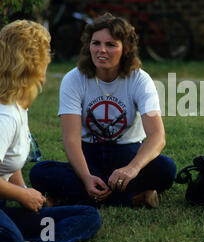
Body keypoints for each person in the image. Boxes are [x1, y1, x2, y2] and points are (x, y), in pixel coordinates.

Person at [30, 13, 176, 208]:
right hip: (89, 154)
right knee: (39, 172)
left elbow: (157, 135)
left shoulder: (140, 80)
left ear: (126, 49)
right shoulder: (74, 79)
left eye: (111, 45)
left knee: (166, 169)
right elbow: (71, 139)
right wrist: (86, 177)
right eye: (96, 43)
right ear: (88, 45)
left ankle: (74, 198)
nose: (101, 50)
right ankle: (133, 198)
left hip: (128, 151)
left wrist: (131, 170)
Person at [0, 20, 102, 242]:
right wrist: (21, 195)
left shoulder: (17, 104)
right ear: (32, 62)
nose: (49, 60)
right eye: (45, 54)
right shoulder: (4, 115)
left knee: (87, 215)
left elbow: (7, 161)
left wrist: (25, 193)